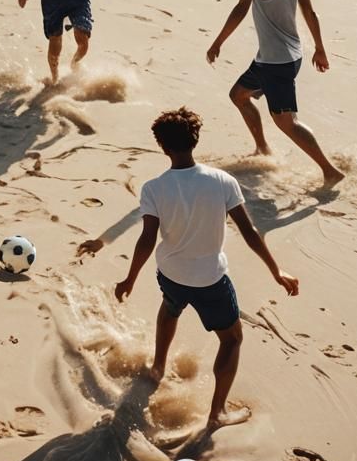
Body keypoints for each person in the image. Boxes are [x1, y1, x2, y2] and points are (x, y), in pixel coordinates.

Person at [114, 108, 298, 431]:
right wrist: (276, 270)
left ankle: (158, 368)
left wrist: (130, 279)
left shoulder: (153, 188)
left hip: (170, 273)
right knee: (232, 340)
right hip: (210, 280)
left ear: (162, 146)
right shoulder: (222, 181)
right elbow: (250, 232)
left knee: (170, 307)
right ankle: (217, 413)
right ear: (195, 139)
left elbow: (147, 239)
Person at [206, 0, 344, 188]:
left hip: (276, 61)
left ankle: (330, 170)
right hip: (282, 56)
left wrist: (218, 41)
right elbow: (310, 12)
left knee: (287, 122)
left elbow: (242, 7)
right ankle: (263, 148)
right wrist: (320, 49)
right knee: (239, 95)